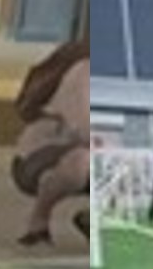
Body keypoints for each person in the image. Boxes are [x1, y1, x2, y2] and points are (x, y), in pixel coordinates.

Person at [11, 35, 92, 249]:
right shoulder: (82, 71)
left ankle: (94, 218)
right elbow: (82, 128)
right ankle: (38, 219)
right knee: (82, 161)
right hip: (42, 155)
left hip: (79, 149)